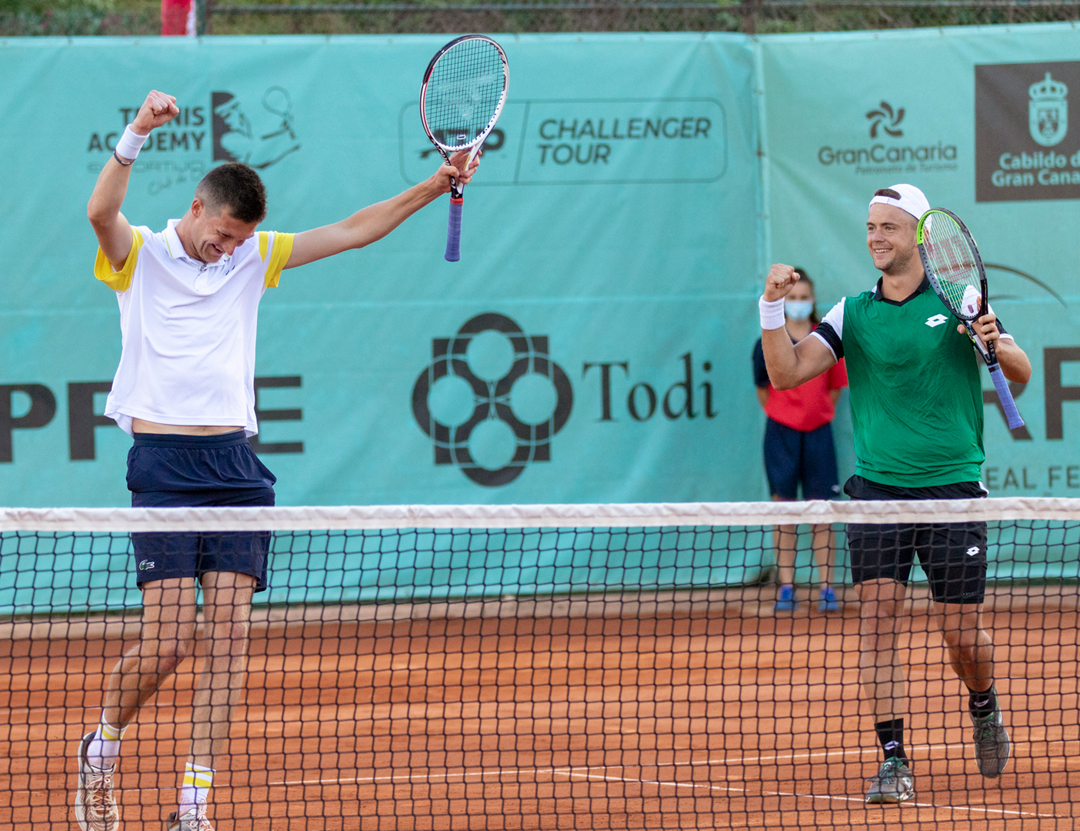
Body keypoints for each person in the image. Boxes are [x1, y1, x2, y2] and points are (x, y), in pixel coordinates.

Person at [74, 90, 479, 831]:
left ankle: (193, 806)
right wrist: (135, 129)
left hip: (236, 467)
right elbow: (101, 212)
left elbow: (356, 230)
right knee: (167, 646)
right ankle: (101, 744)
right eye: (221, 234)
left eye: (238, 241)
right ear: (197, 207)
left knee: (228, 639)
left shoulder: (254, 257)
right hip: (163, 466)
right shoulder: (143, 256)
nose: (226, 249)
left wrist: (436, 182)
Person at [758, 184, 1031, 805]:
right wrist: (771, 309)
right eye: (870, 227)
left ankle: (983, 705)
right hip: (878, 491)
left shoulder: (960, 298)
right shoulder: (850, 312)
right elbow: (785, 373)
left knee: (961, 636)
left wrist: (995, 342)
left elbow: (1020, 371)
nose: (876, 236)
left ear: (919, 234)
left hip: (955, 492)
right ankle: (893, 761)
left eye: (888, 226)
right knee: (878, 624)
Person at [751, 270, 847, 613]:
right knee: (784, 511)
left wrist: (814, 414)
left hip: (819, 435)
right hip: (781, 436)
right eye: (791, 298)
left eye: (803, 297)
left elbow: (835, 388)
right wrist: (786, 415)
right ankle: (787, 587)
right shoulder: (767, 342)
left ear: (813, 300)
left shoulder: (827, 340)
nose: (797, 303)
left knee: (822, 513)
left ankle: (827, 589)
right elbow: (764, 390)